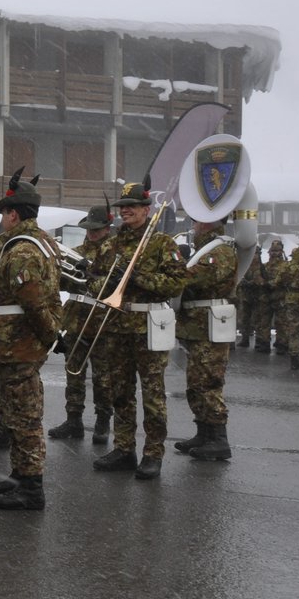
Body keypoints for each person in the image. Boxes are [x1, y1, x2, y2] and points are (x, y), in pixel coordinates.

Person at [92, 178, 188, 480]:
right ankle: (124, 448)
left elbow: (175, 284)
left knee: (152, 393)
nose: (125, 212)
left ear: (146, 210)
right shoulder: (112, 244)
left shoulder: (162, 245)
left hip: (148, 326)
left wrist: (138, 277)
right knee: (120, 391)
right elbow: (95, 280)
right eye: (123, 207)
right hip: (118, 325)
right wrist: (107, 280)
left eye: (131, 207)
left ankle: (153, 453)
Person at [0, 174, 62, 510]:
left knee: (25, 418)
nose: (2, 220)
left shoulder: (24, 250)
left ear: (13, 214)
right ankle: (20, 476)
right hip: (13, 345)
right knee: (14, 414)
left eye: (4, 213)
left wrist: (50, 336)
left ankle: (32, 489)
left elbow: (33, 302)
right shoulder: (32, 242)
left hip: (20, 346)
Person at [172, 218, 238, 461]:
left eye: (197, 221)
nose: (193, 224)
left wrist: (174, 268)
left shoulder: (219, 251)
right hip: (198, 328)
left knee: (209, 383)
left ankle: (219, 439)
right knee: (196, 382)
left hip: (210, 328)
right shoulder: (205, 249)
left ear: (209, 224)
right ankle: (204, 433)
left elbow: (192, 278)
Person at [49, 204, 115, 443]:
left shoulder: (114, 253)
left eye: (96, 229)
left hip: (102, 321)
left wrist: (91, 275)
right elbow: (63, 284)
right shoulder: (76, 251)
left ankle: (102, 422)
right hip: (77, 319)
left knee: (103, 376)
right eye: (89, 229)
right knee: (73, 372)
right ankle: (73, 420)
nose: (92, 234)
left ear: (107, 228)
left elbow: (113, 285)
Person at [264, 241, 289, 355]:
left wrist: (273, 283)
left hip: (280, 297)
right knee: (263, 322)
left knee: (281, 323)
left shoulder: (286, 266)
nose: (274, 253)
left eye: (277, 251)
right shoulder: (265, 266)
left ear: (281, 252)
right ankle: (263, 343)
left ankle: (282, 344)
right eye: (273, 251)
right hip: (266, 297)